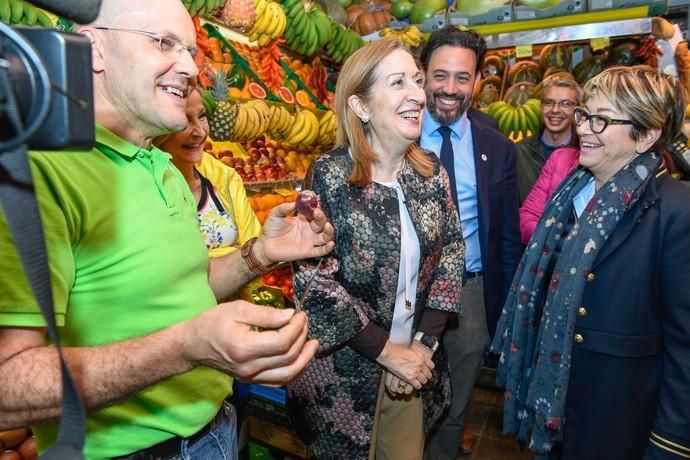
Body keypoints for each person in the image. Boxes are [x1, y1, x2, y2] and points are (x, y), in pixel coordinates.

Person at [0, 1, 335, 459]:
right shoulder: (39, 173)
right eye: (164, 43)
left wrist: (263, 252)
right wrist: (185, 348)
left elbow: (187, 288)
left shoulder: (160, 163)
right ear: (95, 49)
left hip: (213, 432)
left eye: (192, 50)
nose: (190, 67)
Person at [492, 65, 690, 460]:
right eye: (585, 115)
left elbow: (685, 346)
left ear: (646, 136)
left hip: (618, 417)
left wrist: (670, 443)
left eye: (601, 120)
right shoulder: (570, 196)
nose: (583, 128)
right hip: (554, 407)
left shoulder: (675, 212)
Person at [286, 39, 465, 459]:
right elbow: (314, 281)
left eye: (417, 82)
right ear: (361, 107)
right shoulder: (327, 176)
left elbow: (453, 255)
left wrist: (421, 347)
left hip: (414, 373)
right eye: (398, 82)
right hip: (344, 380)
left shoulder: (432, 174)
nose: (418, 95)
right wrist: (390, 354)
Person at [418, 26, 521, 460]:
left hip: (470, 295)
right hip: (407, 293)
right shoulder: (393, 136)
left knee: (454, 406)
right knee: (399, 401)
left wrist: (507, 309)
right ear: (421, 74)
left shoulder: (497, 148)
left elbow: (506, 237)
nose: (450, 89)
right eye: (440, 75)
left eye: (462, 78)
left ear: (478, 81)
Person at [155, 88, 261, 257]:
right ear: (158, 127)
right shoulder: (146, 185)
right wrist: (234, 254)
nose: (200, 132)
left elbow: (255, 251)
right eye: (185, 119)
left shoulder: (226, 178)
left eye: (202, 116)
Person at [516, 76, 582, 203]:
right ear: (541, 107)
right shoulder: (519, 152)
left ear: (577, 111)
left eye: (565, 104)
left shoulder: (584, 153)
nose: (555, 110)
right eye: (549, 102)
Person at [519, 146, 579, 244]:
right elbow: (527, 218)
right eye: (580, 128)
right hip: (547, 255)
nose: (583, 131)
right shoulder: (561, 158)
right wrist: (555, 243)